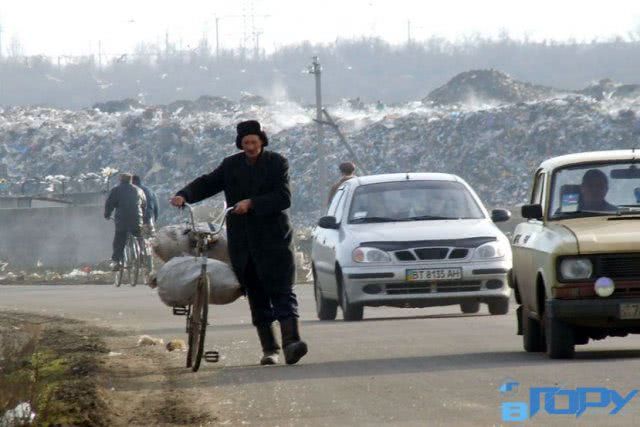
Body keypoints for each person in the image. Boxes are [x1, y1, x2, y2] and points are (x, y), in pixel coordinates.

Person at [170, 120, 307, 366]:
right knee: (256, 294)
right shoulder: (231, 165)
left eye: (254, 142)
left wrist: (252, 203)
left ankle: (291, 343)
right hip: (244, 241)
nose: (251, 147)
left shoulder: (277, 163)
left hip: (274, 240)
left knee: (281, 291)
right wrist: (184, 195)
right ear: (240, 144)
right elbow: (208, 182)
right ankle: (270, 349)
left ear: (262, 141)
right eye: (246, 143)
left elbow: (283, 197)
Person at [104, 173, 147, 270]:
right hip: (137, 220)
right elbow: (144, 204)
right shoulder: (139, 190)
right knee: (139, 237)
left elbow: (109, 204)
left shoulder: (116, 190)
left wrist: (107, 215)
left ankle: (116, 261)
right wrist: (142, 217)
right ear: (131, 180)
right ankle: (142, 254)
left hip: (122, 221)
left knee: (119, 240)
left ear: (120, 180)